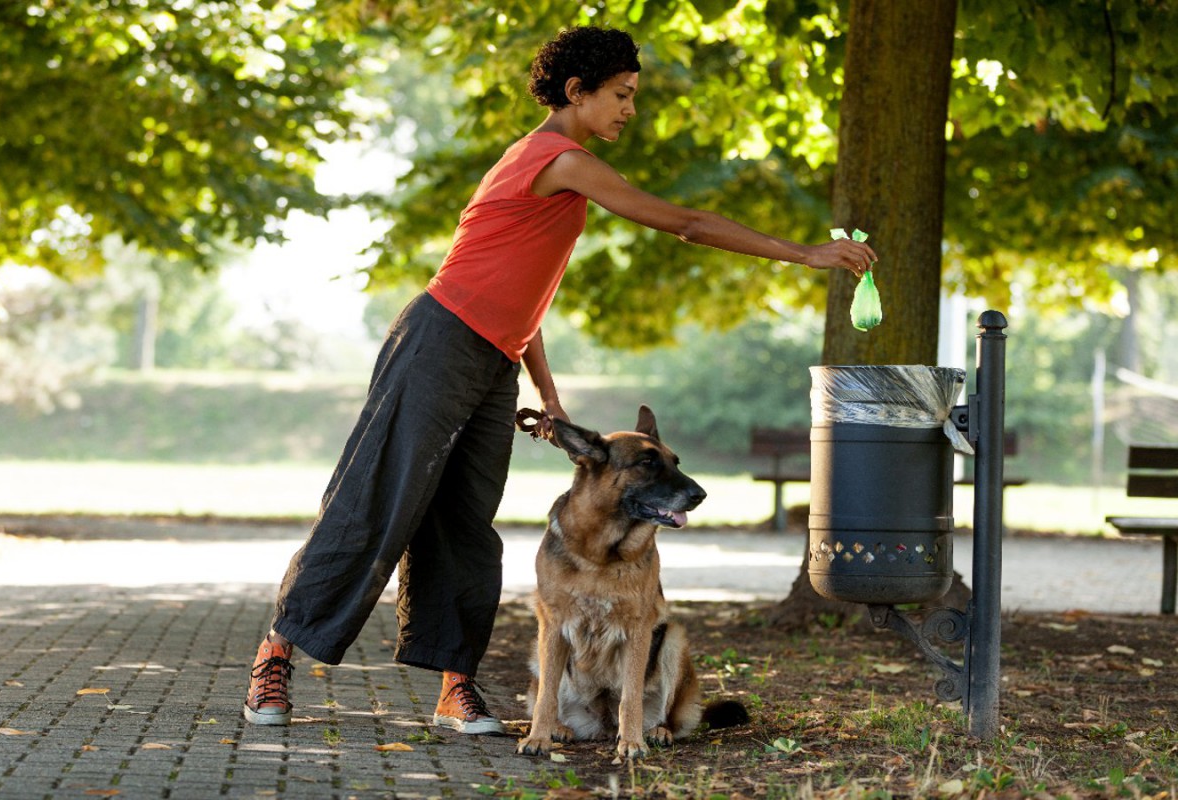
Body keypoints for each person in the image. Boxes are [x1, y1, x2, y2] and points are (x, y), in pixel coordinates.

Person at [244, 25, 877, 735]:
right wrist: (805, 254)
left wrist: (545, 393)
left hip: (492, 358)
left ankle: (456, 686)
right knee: (377, 502)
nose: (629, 110)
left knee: (468, 523)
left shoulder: (563, 176)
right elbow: (687, 223)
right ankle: (275, 658)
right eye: (620, 95)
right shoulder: (556, 158)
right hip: (436, 341)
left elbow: (526, 297)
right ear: (576, 93)